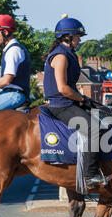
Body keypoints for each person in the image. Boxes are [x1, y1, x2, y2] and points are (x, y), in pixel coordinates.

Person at [43, 15, 103, 189]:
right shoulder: (61, 56)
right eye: (77, 37)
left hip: (69, 102)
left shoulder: (68, 54)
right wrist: (83, 99)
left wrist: (85, 101)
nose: (79, 40)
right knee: (94, 129)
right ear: (68, 37)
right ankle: (89, 176)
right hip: (61, 105)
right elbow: (62, 88)